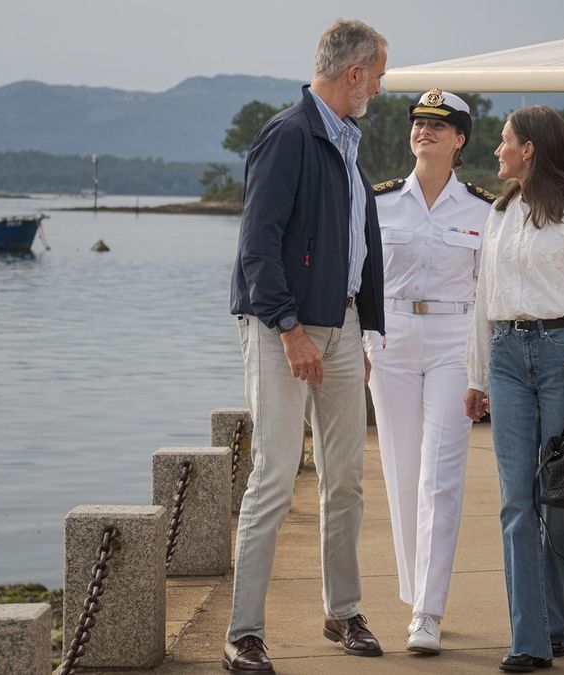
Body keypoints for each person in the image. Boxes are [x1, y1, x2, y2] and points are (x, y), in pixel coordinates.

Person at [225, 19, 387, 674]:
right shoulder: (288, 135)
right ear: (353, 74)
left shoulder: (346, 145)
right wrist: (290, 328)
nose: (378, 86)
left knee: (345, 475)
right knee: (272, 474)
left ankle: (342, 611)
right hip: (281, 327)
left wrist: (361, 330)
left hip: (341, 326)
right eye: (377, 74)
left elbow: (356, 246)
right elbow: (257, 244)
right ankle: (243, 634)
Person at [463, 105, 564, 672]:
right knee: (516, 500)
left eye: (504, 140)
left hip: (563, 354)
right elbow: (484, 299)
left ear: (530, 147)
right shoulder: (500, 211)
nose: (497, 150)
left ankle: (557, 625)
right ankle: (527, 638)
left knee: (559, 494)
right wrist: (476, 376)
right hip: (507, 355)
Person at [366, 88, 494, 655]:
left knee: (440, 478)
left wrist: (482, 369)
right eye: (419, 122)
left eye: (439, 126)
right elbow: (358, 280)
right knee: (400, 473)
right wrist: (364, 344)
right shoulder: (379, 203)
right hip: (389, 340)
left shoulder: (484, 210)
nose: (425, 131)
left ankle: (428, 611)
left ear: (460, 139)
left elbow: (490, 295)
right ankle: (415, 587)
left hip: (452, 340)